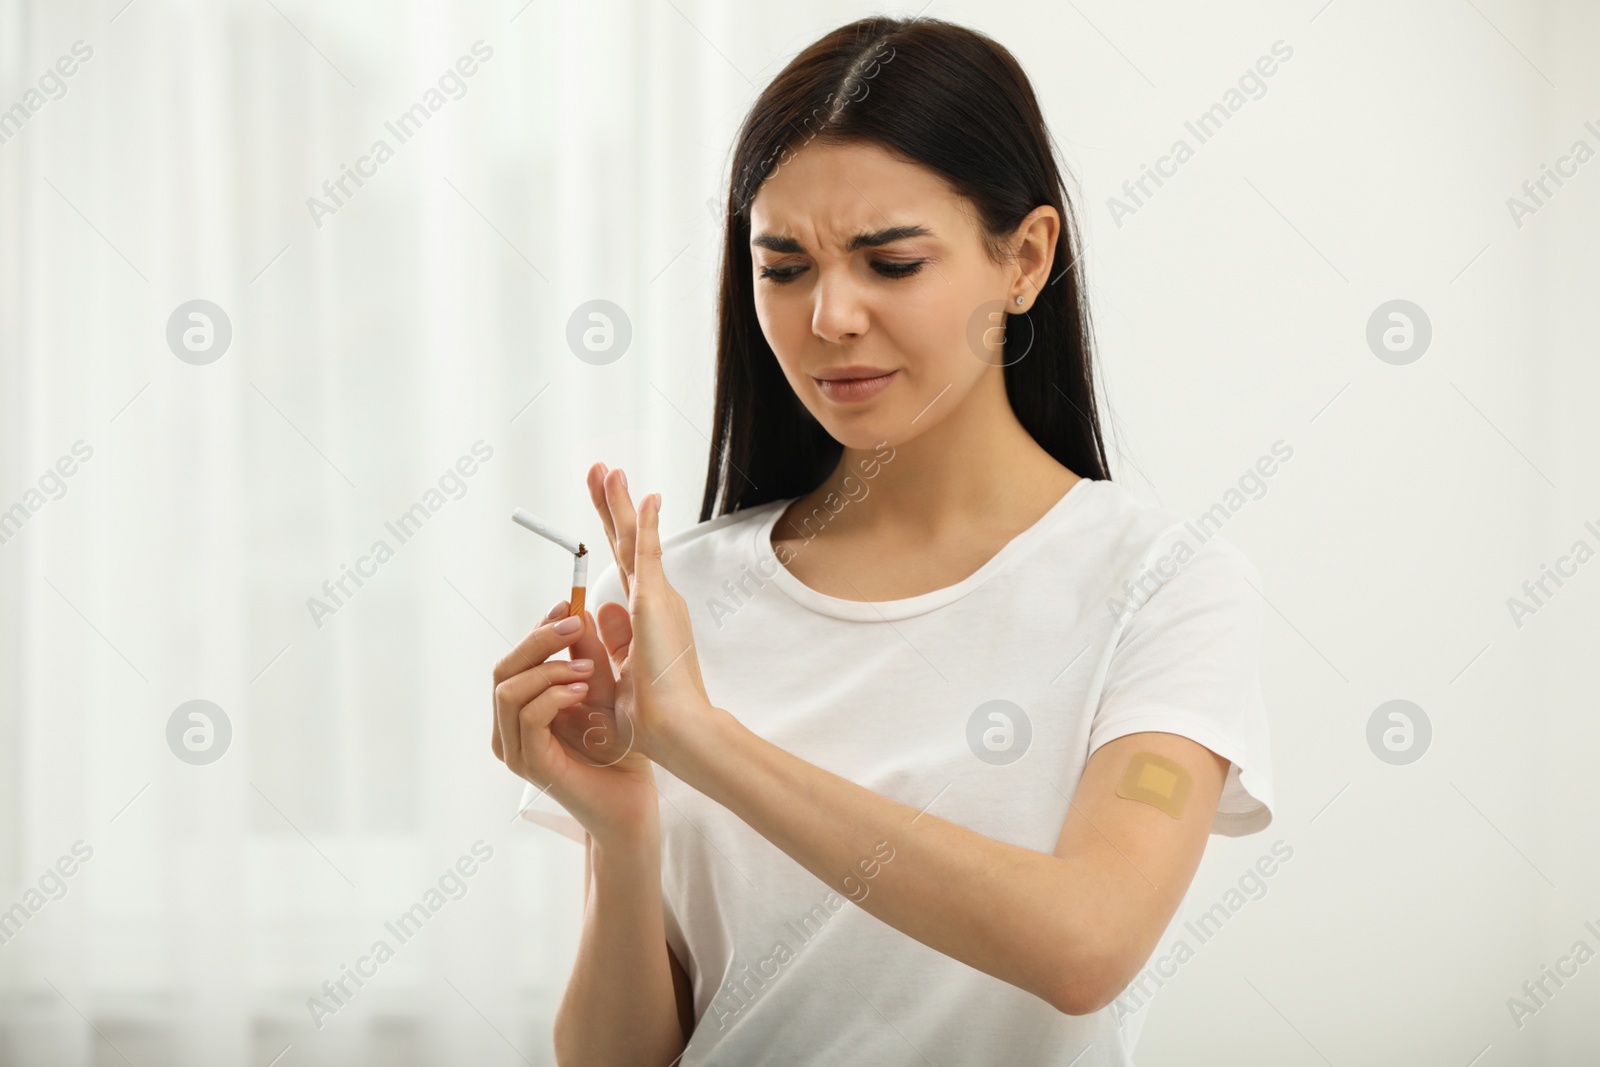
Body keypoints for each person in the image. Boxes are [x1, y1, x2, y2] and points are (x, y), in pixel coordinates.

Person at [491, 15, 1274, 1065]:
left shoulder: (1162, 586)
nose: (830, 316)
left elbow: (1085, 941)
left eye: (890, 262)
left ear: (1025, 257)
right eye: (784, 267)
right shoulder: (690, 596)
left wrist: (706, 743)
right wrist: (624, 832)